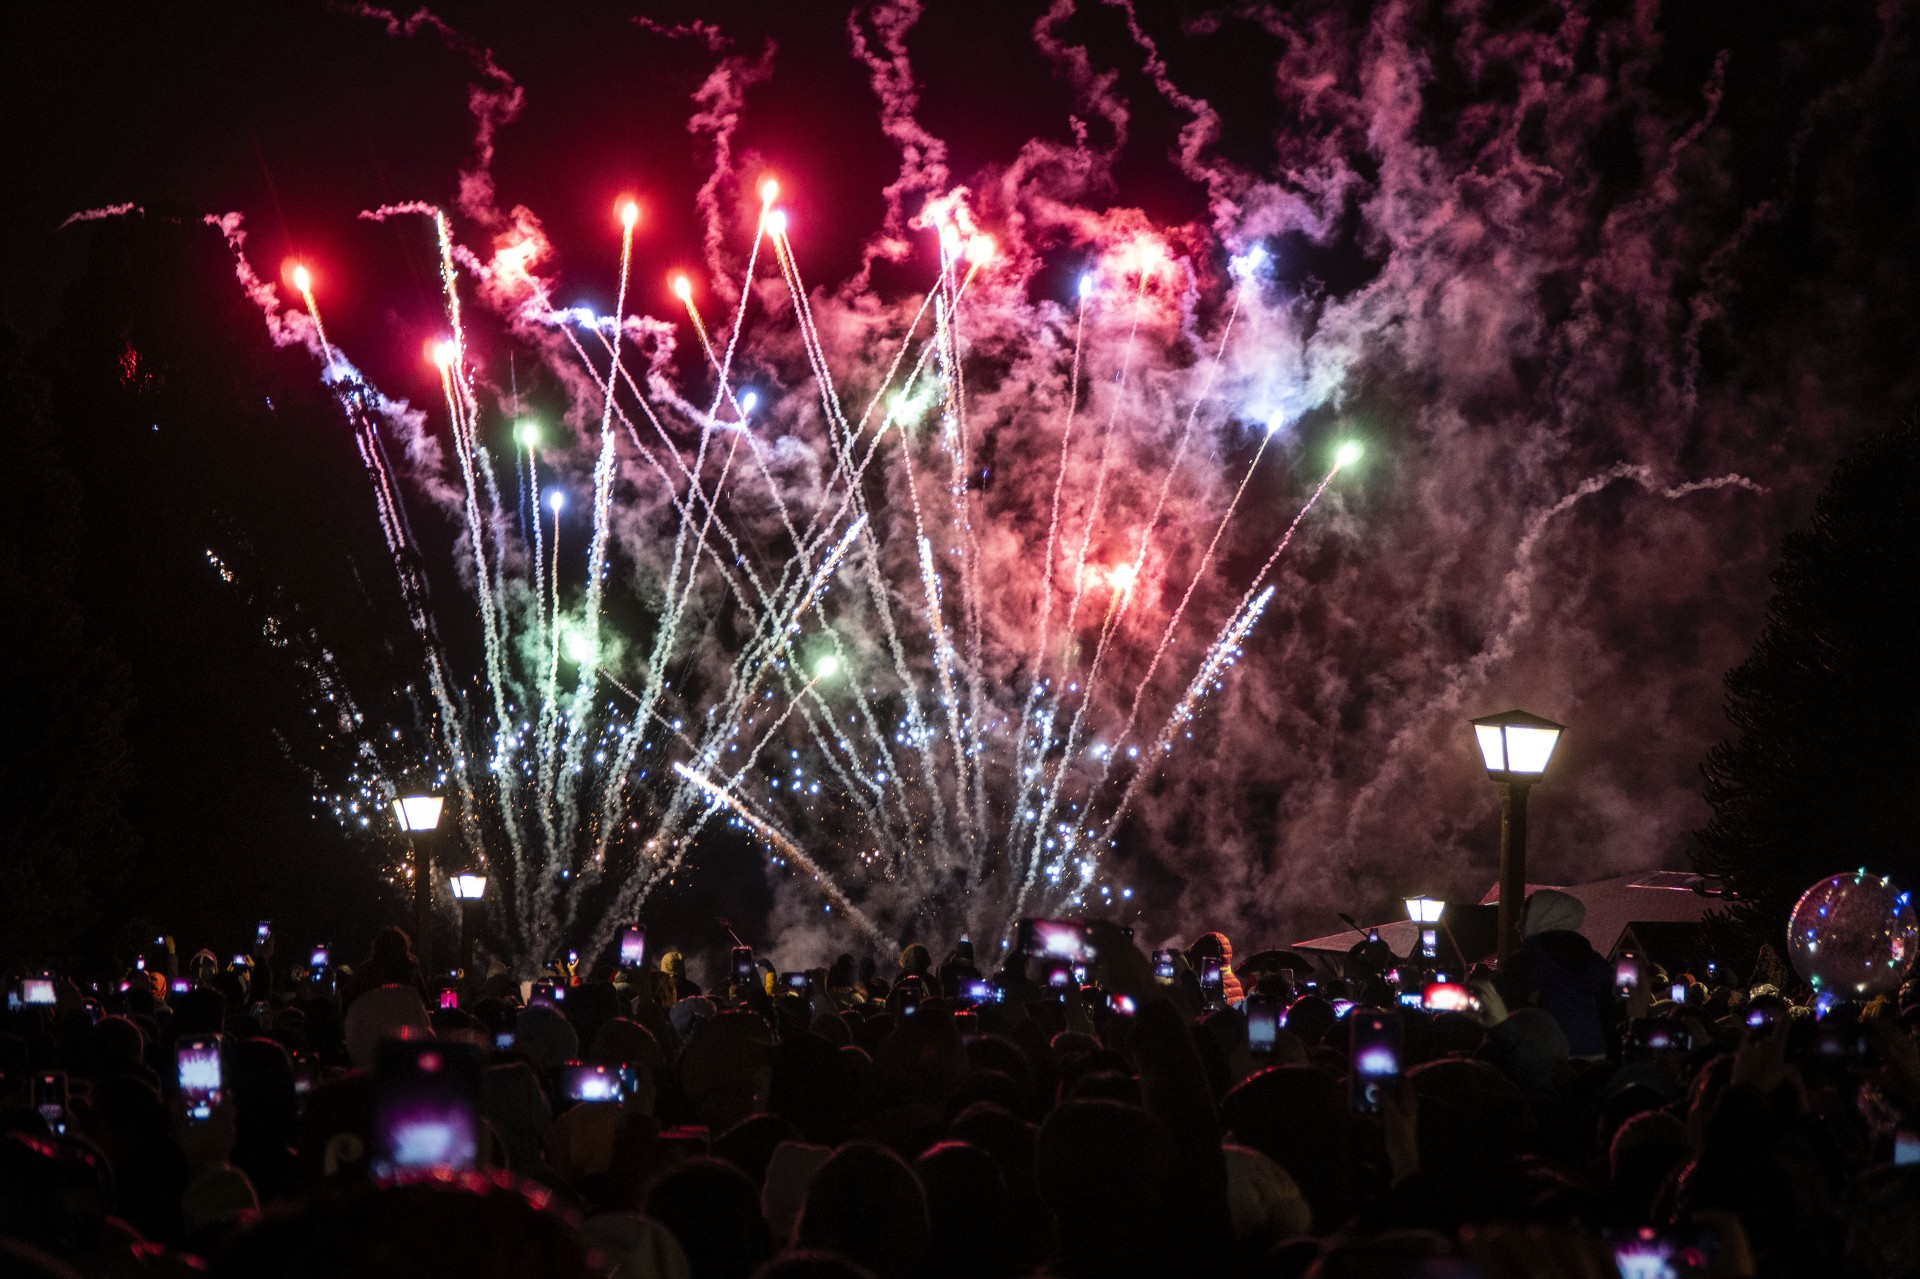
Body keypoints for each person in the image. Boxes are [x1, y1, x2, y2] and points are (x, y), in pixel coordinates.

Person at [1494, 889, 1617, 1058]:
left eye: (1524, 917)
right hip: (1596, 1057)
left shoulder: (1525, 961)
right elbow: (1610, 1016)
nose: (1517, 925)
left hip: (1542, 1058)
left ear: (1541, 918)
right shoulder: (1598, 963)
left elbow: (1508, 1017)